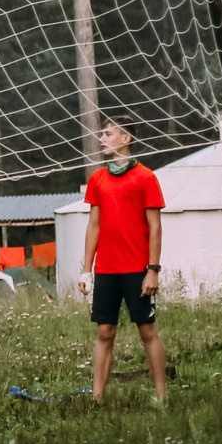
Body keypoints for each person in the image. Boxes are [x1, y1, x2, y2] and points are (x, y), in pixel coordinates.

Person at [78, 116, 168, 404]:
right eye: (102, 134)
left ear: (126, 139)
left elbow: (155, 227)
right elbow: (94, 225)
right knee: (105, 331)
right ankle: (97, 399)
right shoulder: (97, 179)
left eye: (108, 134)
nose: (102, 139)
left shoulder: (146, 177)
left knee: (146, 329)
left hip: (137, 270)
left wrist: (152, 270)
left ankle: (161, 397)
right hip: (107, 270)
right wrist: (86, 270)